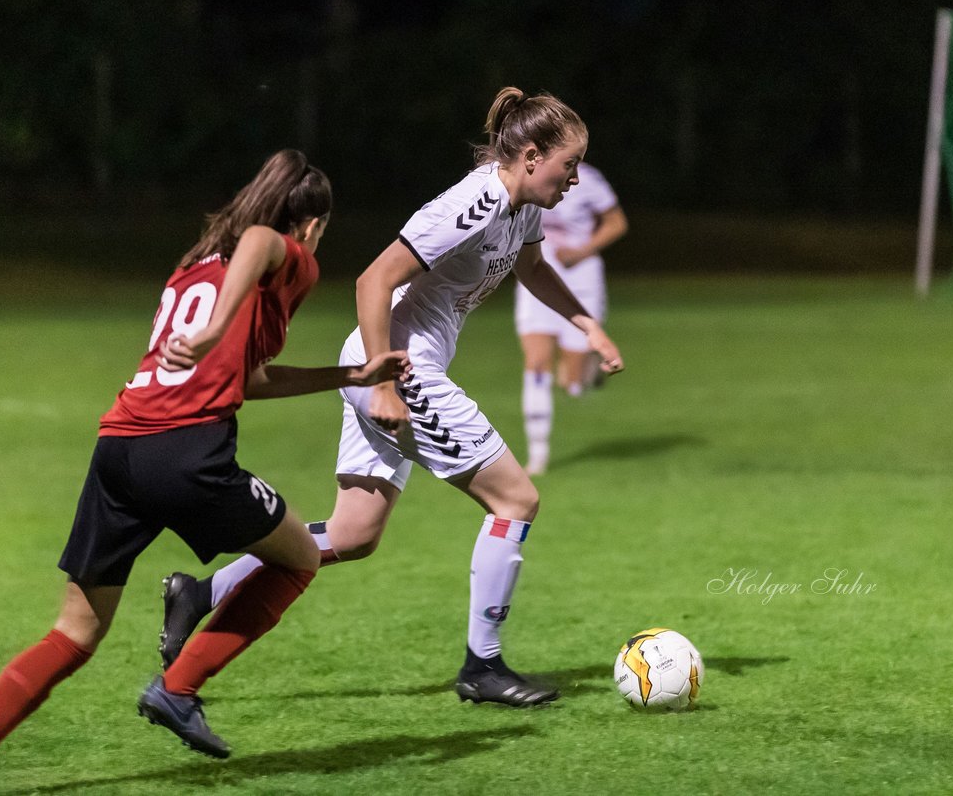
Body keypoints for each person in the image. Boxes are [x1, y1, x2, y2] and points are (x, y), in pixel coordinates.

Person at [0, 150, 408, 796]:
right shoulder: (287, 252)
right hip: (186, 453)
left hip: (119, 449)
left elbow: (250, 380)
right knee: (300, 558)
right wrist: (211, 334)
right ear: (310, 223)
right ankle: (179, 688)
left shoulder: (193, 267)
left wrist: (347, 376)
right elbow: (263, 242)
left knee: (76, 631)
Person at [154, 87, 625, 709]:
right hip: (399, 368)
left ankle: (202, 593)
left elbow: (532, 270)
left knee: (353, 532)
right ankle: (482, 667)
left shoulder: (521, 207)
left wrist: (586, 324)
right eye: (569, 165)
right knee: (516, 496)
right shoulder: (476, 201)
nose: (573, 179)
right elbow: (374, 278)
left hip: (387, 365)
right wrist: (380, 382)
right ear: (532, 155)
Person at [515, 162, 628, 475]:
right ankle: (537, 456)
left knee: (571, 383)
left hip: (580, 275)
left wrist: (582, 250)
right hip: (536, 275)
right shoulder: (527, 172)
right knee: (536, 362)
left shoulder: (588, 178)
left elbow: (616, 222)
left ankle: (587, 370)